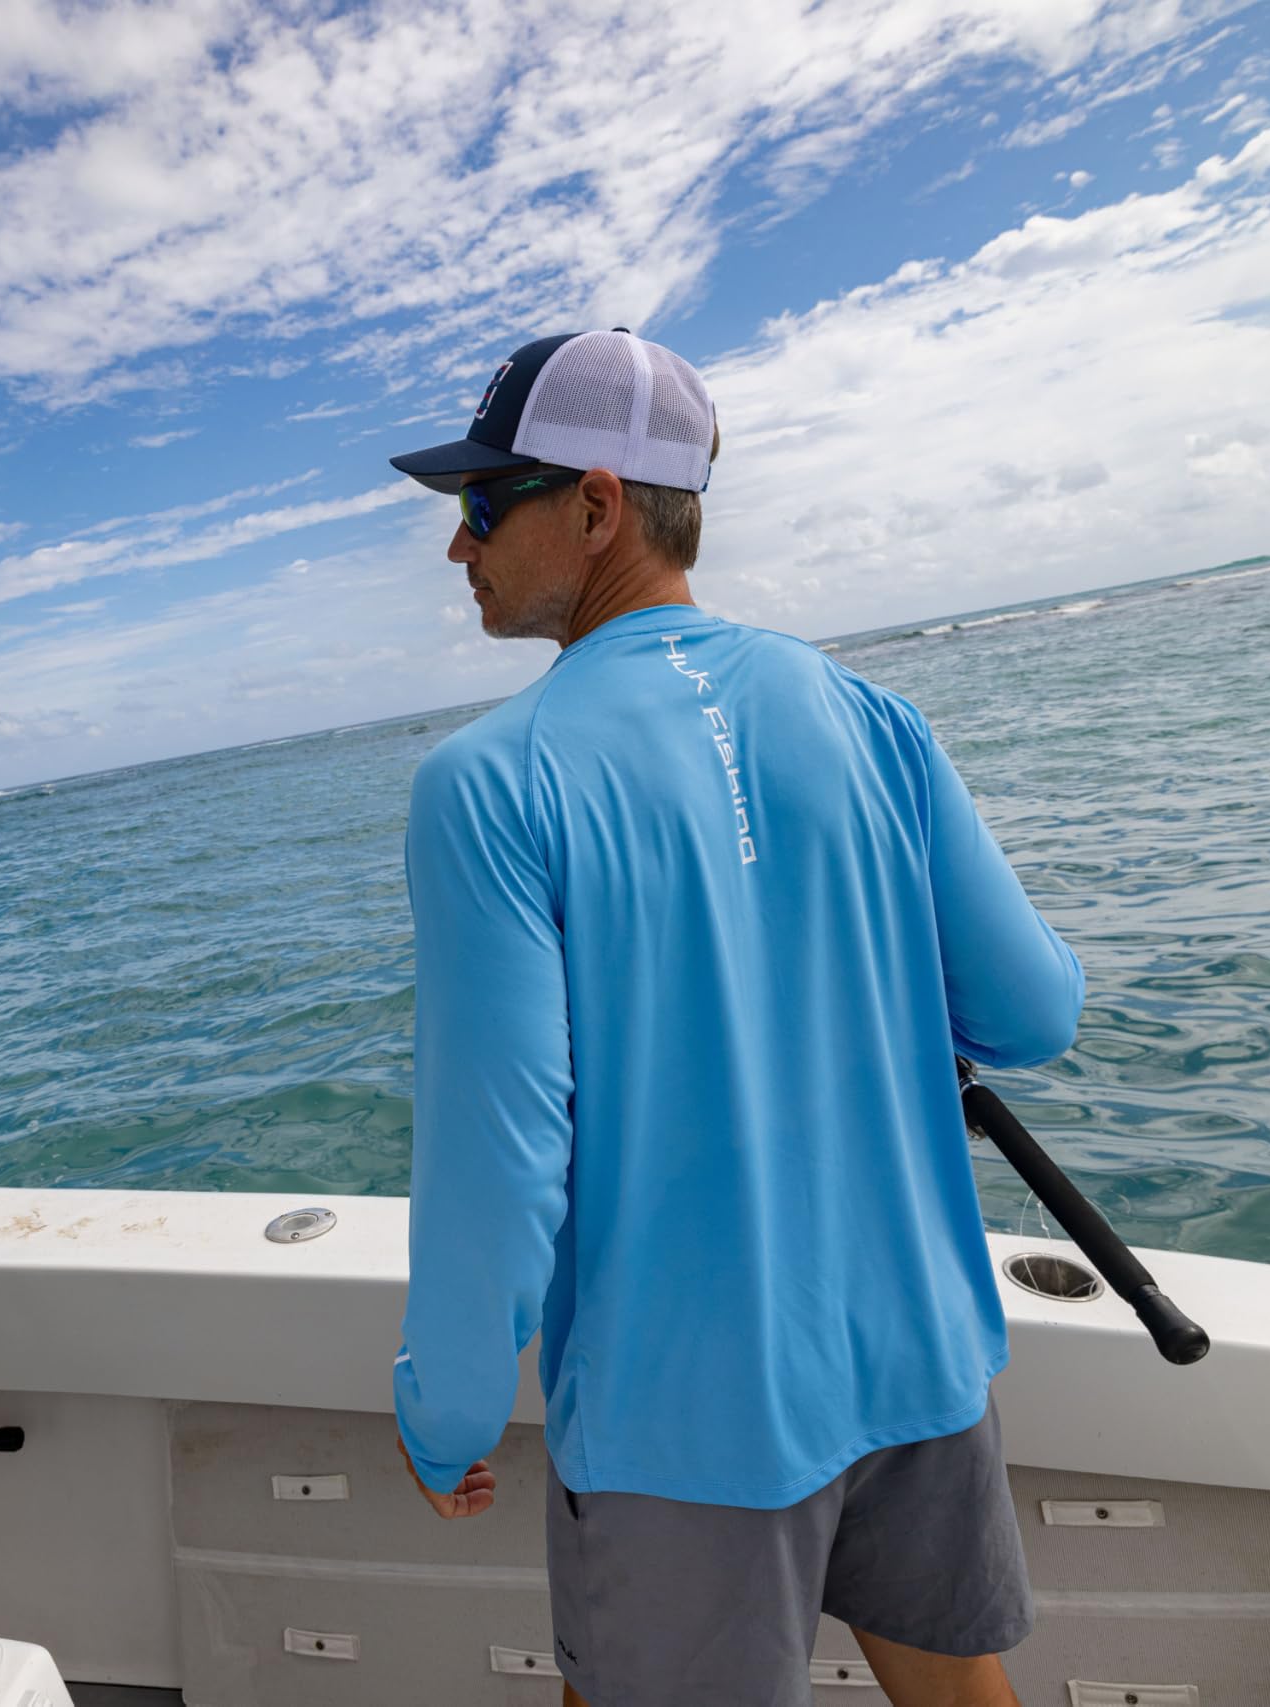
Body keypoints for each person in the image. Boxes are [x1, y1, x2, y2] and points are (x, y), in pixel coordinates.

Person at [385, 330, 1085, 1707]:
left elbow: (498, 1161)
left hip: (684, 1418)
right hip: (920, 1354)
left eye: (482, 503)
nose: (458, 546)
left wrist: (446, 1410)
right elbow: (1031, 1010)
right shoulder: (872, 715)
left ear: (596, 506)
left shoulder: (488, 782)